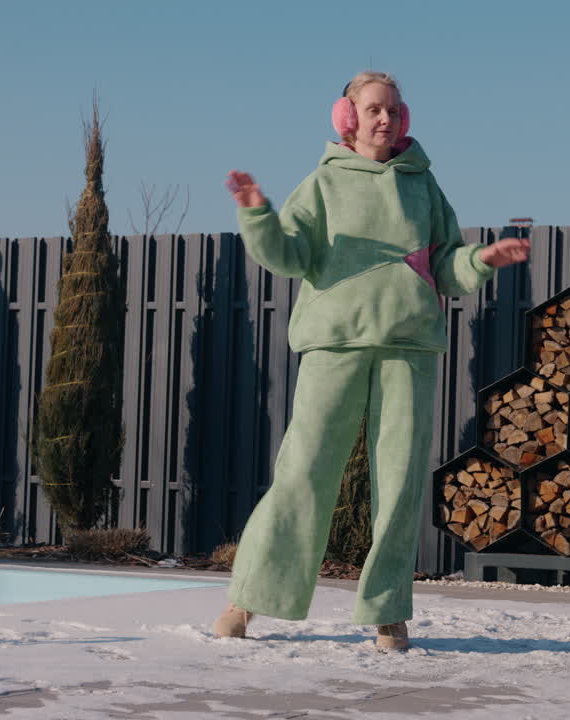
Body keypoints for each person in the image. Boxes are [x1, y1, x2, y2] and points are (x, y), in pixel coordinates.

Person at [215, 70, 530, 651]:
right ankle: (248, 598)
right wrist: (257, 212)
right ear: (348, 116)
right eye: (374, 110)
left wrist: (484, 257)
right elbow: (288, 256)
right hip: (334, 342)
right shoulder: (322, 184)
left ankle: (388, 608)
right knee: (303, 471)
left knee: (401, 481)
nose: (384, 119)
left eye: (394, 110)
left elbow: (448, 266)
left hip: (408, 347)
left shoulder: (423, 185)